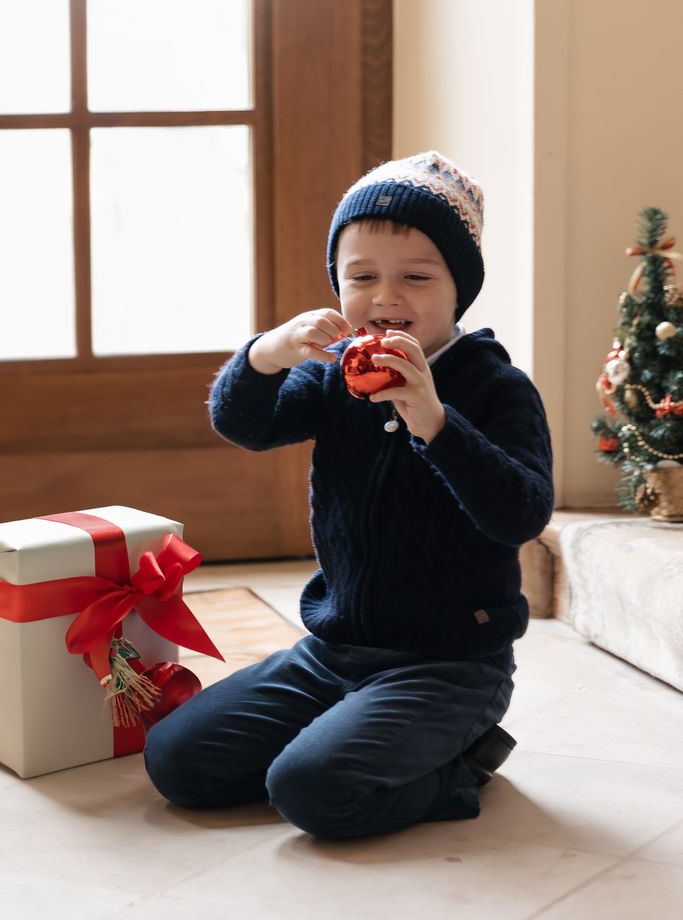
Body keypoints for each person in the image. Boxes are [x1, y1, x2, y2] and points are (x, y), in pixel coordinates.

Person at [144, 150, 554, 839]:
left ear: (460, 290)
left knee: (311, 793)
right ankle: (341, 738)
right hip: (334, 651)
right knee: (176, 762)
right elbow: (244, 424)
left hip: (449, 664)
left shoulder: (494, 388)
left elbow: (519, 513)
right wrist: (266, 355)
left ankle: (460, 763)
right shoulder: (337, 375)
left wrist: (435, 422)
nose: (386, 297)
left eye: (416, 278)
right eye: (360, 277)